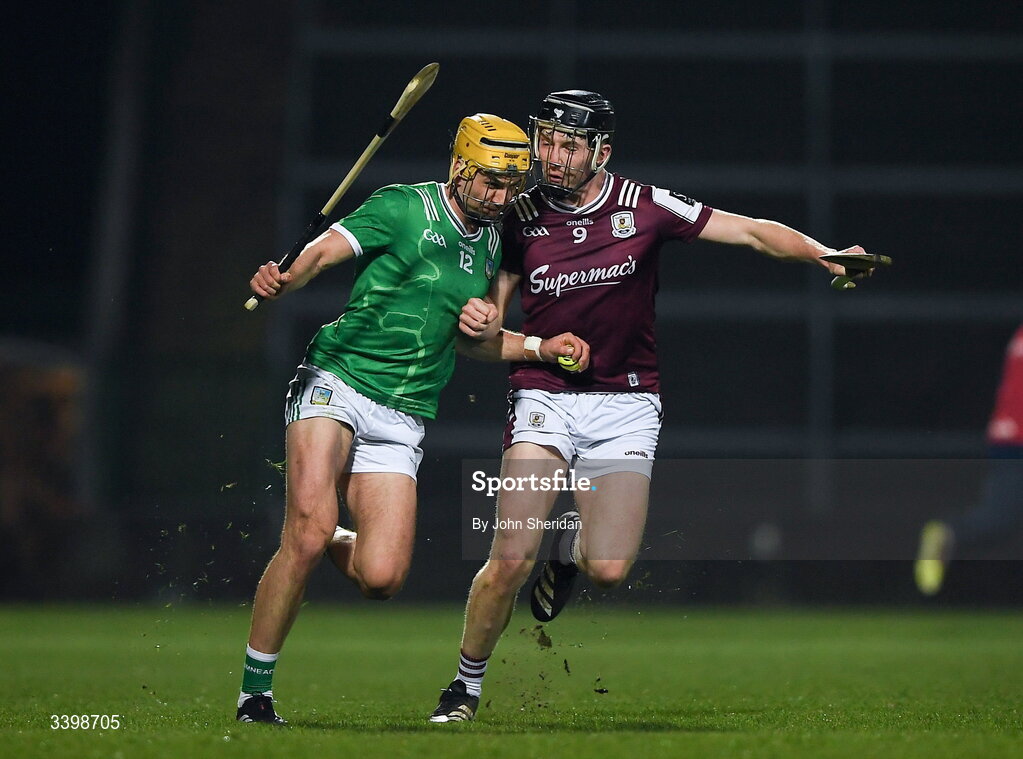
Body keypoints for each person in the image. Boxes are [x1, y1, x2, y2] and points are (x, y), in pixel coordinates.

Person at [429, 90, 878, 723]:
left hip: (627, 402)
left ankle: (569, 556)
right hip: (544, 397)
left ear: (601, 152)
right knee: (508, 556)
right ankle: (464, 687)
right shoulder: (518, 216)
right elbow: (486, 338)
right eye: (545, 141)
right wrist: (479, 324)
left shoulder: (642, 205)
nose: (550, 157)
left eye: (568, 145)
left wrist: (820, 252)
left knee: (608, 568)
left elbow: (748, 231)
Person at [236, 113, 589, 724]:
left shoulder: (495, 243)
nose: (502, 196)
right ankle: (254, 694)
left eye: (510, 185)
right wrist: (286, 277)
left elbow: (476, 344)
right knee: (307, 529)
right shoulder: (401, 207)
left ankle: (324, 542)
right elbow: (325, 250)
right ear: (459, 168)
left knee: (382, 578)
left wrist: (537, 345)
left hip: (405, 411)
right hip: (337, 381)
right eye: (490, 183)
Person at [915, 325, 1023, 595]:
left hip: (1007, 438)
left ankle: (951, 534)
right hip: (1016, 440)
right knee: (997, 521)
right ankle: (950, 535)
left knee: (998, 520)